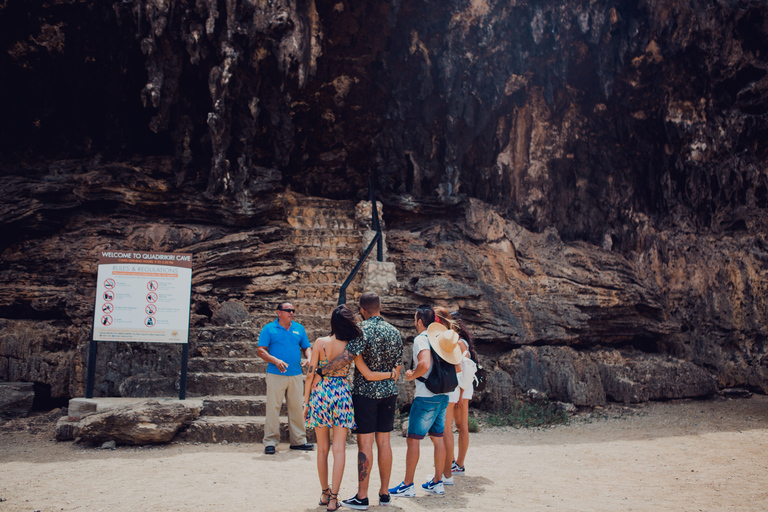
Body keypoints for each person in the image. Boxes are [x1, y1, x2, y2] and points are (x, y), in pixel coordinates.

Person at [303, 304, 397, 512]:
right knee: (339, 449)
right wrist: (390, 374)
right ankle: (335, 499)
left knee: (322, 449)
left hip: (320, 393)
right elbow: (366, 372)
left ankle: (324, 493)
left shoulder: (320, 342)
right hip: (342, 394)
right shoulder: (352, 346)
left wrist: (306, 402)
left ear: (332, 323)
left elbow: (310, 374)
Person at [389, 305, 462, 498]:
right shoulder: (440, 338)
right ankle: (437, 482)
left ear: (420, 321)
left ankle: (407, 485)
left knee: (413, 440)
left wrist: (412, 375)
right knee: (438, 439)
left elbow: (424, 364)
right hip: (443, 396)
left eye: (415, 319)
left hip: (425, 396)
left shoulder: (421, 339)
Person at [257, 301, 313, 455]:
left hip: (295, 374)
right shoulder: (269, 328)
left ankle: (299, 441)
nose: (291, 313)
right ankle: (270, 442)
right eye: (288, 310)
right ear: (278, 312)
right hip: (276, 374)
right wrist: (275, 360)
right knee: (273, 408)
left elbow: (306, 347)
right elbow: (261, 350)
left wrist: (309, 357)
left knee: (296, 408)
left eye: (293, 310)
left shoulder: (298, 328)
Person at [448, 310, 478, 475]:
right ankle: (455, 462)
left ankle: (458, 463)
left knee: (460, 426)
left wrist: (460, 395)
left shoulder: (459, 343)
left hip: (462, 388)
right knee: (459, 426)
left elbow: (461, 370)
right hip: (463, 387)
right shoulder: (464, 342)